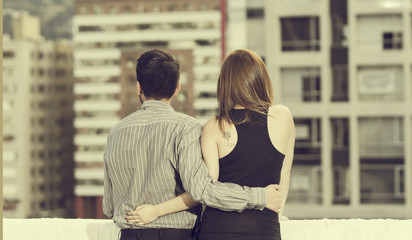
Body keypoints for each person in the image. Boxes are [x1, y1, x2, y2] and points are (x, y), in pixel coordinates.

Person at [103, 49, 283, 240]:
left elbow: (109, 206)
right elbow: (200, 190)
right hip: (176, 235)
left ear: (138, 88)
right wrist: (260, 197)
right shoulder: (186, 128)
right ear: (177, 88)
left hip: (128, 234)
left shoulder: (115, 132)